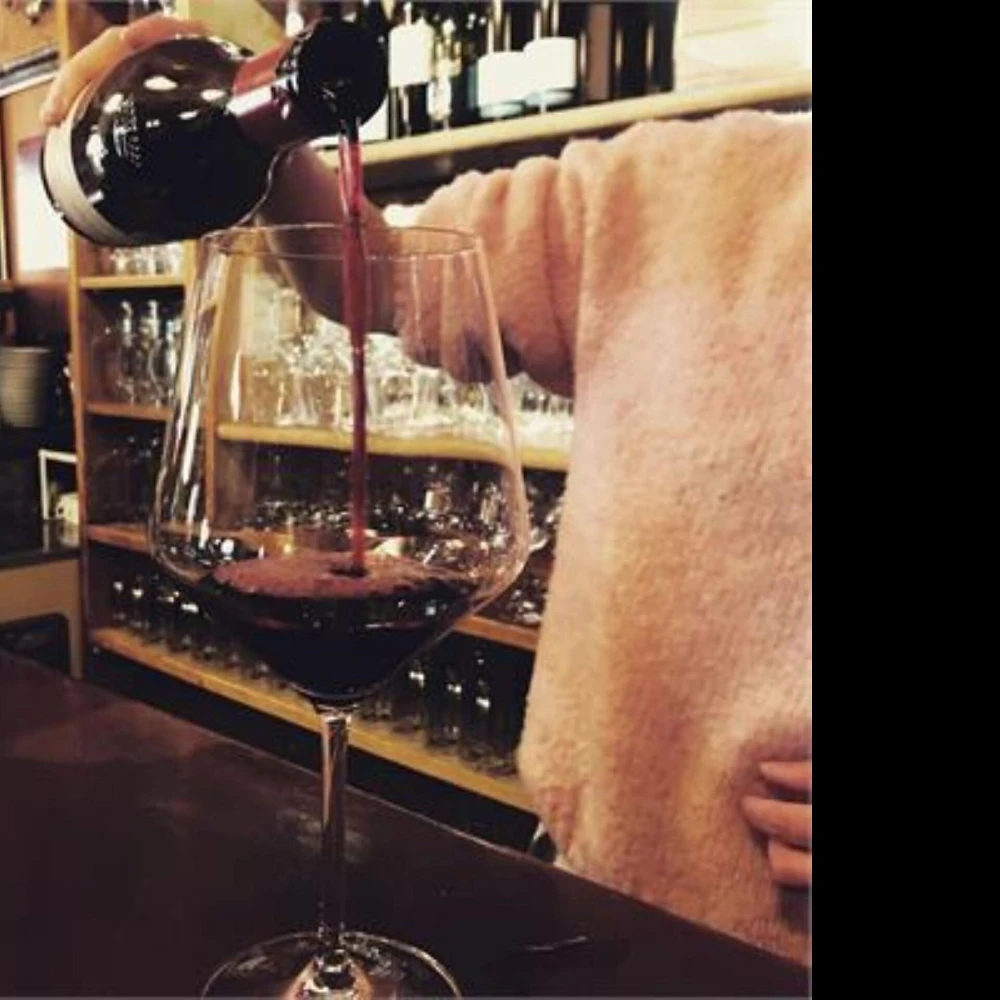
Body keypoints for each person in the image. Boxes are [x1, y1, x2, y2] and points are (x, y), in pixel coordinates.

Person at [41, 13, 812, 966]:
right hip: (587, 882)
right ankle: (334, 963)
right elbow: (379, 275)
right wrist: (252, 122)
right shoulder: (674, 186)